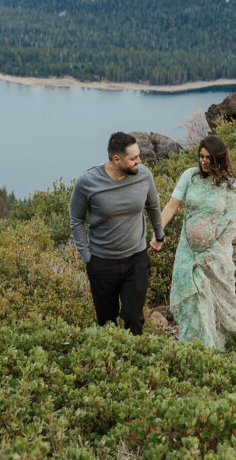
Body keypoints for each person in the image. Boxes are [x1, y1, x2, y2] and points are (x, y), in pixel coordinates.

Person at [69, 131, 165, 335]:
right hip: (102, 263)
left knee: (134, 318)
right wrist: (87, 257)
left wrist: (159, 235)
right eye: (133, 158)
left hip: (136, 259)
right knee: (106, 322)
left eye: (138, 155)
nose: (139, 161)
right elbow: (76, 219)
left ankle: (136, 362)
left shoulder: (144, 175)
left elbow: (153, 207)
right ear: (116, 159)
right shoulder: (87, 182)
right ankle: (111, 365)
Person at [161, 135, 236, 349]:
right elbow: (171, 205)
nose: (204, 161)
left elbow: (231, 221)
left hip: (215, 253)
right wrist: (157, 233)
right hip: (187, 250)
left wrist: (208, 255)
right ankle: (191, 347)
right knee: (191, 300)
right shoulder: (190, 176)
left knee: (213, 301)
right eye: (201, 156)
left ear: (219, 158)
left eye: (209, 157)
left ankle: (216, 349)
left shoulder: (229, 184)